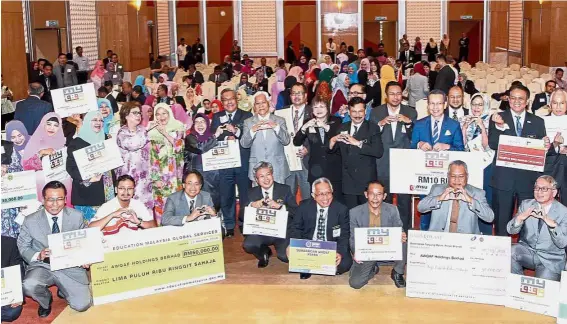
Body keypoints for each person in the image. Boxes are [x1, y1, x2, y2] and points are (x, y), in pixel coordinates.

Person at [17, 181, 92, 317]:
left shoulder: (76, 216)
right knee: (29, 285)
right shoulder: (30, 220)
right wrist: (38, 255)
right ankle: (46, 301)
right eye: (50, 199)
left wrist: (85, 258)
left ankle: (63, 289)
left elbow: (84, 242)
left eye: (59, 199)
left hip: (70, 265)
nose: (55, 204)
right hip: (43, 265)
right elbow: (23, 245)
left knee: (82, 305)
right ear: (43, 199)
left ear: (65, 199)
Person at [488, 84, 549, 236]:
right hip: (504, 180)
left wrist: (546, 145)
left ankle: (524, 255)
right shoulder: (497, 118)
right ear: (508, 99)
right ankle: (501, 256)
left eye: (520, 98)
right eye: (513, 98)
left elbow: (541, 151)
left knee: (528, 225)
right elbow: (493, 143)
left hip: (527, 181)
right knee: (501, 222)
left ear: (527, 101)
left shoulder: (538, 122)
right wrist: (499, 127)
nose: (516, 101)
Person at [370, 81, 417, 231]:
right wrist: (381, 124)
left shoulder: (411, 112)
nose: (396, 97)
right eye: (392, 94)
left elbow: (415, 137)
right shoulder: (376, 112)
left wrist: (409, 124)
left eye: (398, 94)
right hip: (383, 162)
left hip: (404, 162)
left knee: (404, 200)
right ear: (386, 96)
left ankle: (404, 232)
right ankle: (387, 230)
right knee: (386, 199)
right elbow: (371, 136)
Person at [288, 177, 353, 279]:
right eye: (321, 194)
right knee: (286, 255)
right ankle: (316, 266)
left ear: (332, 192)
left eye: (328, 193)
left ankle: (312, 266)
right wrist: (295, 245)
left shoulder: (341, 209)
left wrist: (339, 252)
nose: (325, 198)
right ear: (313, 195)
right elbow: (295, 228)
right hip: (309, 246)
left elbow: (344, 235)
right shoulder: (304, 206)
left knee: (345, 263)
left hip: (330, 247)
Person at [349, 181, 407, 289]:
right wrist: (355, 251)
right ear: (366, 194)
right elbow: (353, 238)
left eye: (379, 194)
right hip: (368, 252)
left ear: (384, 196)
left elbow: (399, 228)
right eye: (372, 194)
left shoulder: (392, 209)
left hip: (387, 249)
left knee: (403, 239)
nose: (375, 198)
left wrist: (401, 234)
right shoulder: (354, 212)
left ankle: (397, 272)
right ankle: (373, 268)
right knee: (355, 283)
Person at [507, 175, 567, 281]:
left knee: (542, 292)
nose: (539, 192)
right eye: (536, 188)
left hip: (550, 259)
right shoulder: (526, 205)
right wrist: (520, 218)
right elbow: (511, 230)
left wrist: (552, 225)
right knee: (510, 252)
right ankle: (516, 284)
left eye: (544, 189)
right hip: (528, 252)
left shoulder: (563, 212)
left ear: (554, 192)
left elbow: (562, 243)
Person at [329, 97, 384, 209]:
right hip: (348, 180)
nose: (357, 115)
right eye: (354, 111)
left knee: (366, 215)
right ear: (349, 112)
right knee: (350, 214)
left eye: (360, 111)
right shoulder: (341, 128)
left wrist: (358, 143)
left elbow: (378, 152)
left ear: (365, 111)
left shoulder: (373, 128)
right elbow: (334, 152)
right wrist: (332, 141)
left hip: (366, 180)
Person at [243, 162, 298, 267]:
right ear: (257, 180)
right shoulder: (251, 192)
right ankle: (264, 252)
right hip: (261, 231)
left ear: (272, 175)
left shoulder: (285, 189)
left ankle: (281, 250)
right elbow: (241, 215)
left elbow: (296, 212)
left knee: (285, 257)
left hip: (281, 232)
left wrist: (281, 207)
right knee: (248, 245)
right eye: (261, 176)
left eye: (268, 174)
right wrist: (251, 205)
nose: (266, 179)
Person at [418, 160, 494, 233]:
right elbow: (420, 208)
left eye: (461, 176)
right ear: (448, 176)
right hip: (439, 240)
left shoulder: (477, 193)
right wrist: (440, 198)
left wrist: (471, 200)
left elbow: (490, 217)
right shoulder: (437, 189)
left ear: (467, 176)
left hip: (466, 241)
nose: (457, 180)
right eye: (453, 176)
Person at [66, 111, 115, 222]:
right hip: (87, 193)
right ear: (87, 122)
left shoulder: (106, 139)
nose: (98, 122)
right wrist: (88, 178)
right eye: (94, 120)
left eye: (101, 120)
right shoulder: (76, 143)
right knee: (90, 230)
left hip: (107, 190)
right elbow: (70, 167)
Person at [462, 93, 496, 235]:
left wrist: (482, 127)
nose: (477, 107)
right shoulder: (464, 119)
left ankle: (486, 232)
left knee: (485, 199)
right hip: (470, 164)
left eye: (480, 104)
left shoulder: (492, 121)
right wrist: (464, 129)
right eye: (474, 104)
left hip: (486, 165)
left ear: (486, 106)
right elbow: (462, 146)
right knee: (469, 197)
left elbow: (488, 146)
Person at [241, 92, 291, 184]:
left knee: (278, 197)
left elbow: (286, 141)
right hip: (257, 168)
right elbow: (244, 144)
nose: (261, 106)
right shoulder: (248, 122)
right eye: (257, 103)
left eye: (263, 102)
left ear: (268, 103)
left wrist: (276, 127)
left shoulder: (279, 120)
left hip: (277, 168)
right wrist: (252, 131)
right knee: (258, 197)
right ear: (254, 106)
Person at [148, 103, 185, 225]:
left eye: (164, 113)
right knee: (161, 207)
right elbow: (152, 158)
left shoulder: (178, 127)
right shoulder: (152, 133)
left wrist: (165, 133)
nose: (161, 116)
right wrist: (155, 178)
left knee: (176, 206)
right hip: (160, 178)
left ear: (170, 114)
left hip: (176, 177)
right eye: (158, 114)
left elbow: (179, 148)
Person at [276, 83, 311, 201]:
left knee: (308, 198)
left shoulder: (313, 111)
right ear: (290, 96)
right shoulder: (280, 113)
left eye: (299, 93)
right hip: (287, 161)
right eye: (293, 93)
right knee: (288, 198)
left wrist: (308, 148)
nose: (296, 96)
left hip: (307, 161)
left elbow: (321, 137)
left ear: (305, 95)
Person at [115, 103, 153, 211]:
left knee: (146, 210)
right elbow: (133, 144)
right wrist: (147, 132)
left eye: (139, 113)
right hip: (129, 178)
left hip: (145, 177)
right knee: (130, 209)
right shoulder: (122, 132)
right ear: (126, 115)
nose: (138, 115)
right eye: (134, 113)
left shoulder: (142, 129)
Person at [89, 175, 156, 234]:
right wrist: (112, 215)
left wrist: (139, 222)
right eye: (121, 188)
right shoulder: (107, 206)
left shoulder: (138, 205)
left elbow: (154, 227)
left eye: (129, 188)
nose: (126, 192)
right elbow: (90, 230)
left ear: (134, 191)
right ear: (116, 190)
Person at [184, 113, 223, 209]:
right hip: (197, 177)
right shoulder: (190, 138)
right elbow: (199, 148)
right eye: (196, 122)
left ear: (207, 123)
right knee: (199, 205)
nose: (200, 125)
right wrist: (215, 136)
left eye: (202, 122)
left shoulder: (214, 138)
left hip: (214, 177)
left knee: (215, 203)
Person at [544, 89, 567, 206]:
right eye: (555, 103)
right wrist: (555, 145)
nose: (558, 107)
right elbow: (538, 151)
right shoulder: (541, 121)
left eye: (562, 103)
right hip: (549, 167)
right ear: (550, 104)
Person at [1, 235, 24, 322]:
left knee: (12, 312)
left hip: (3, 291)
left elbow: (18, 271)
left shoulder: (10, 243)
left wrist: (17, 295)